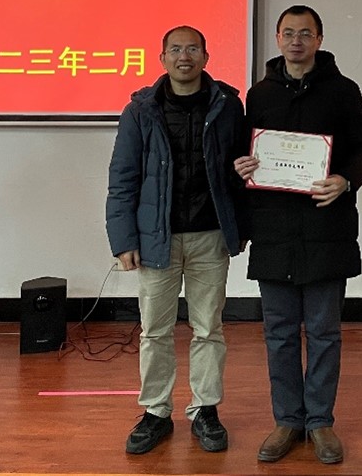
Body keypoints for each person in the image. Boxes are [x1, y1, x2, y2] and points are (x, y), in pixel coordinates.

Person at [233, 5, 362, 465]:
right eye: (288, 33)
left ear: (319, 39)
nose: (296, 41)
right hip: (273, 229)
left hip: (326, 228)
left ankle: (320, 422)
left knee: (324, 332)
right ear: (277, 38)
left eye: (306, 33)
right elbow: (245, 152)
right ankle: (287, 420)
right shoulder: (258, 94)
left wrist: (345, 180)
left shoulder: (343, 91)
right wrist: (243, 165)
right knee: (277, 332)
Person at [105, 26, 249, 456]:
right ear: (162, 58)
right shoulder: (140, 110)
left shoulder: (227, 105)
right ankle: (156, 412)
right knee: (155, 331)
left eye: (192, 49)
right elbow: (122, 178)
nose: (184, 56)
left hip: (209, 236)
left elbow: (241, 167)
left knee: (209, 328)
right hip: (156, 239)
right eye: (175, 49)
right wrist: (123, 239)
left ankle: (205, 409)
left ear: (206, 56)